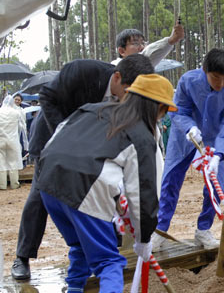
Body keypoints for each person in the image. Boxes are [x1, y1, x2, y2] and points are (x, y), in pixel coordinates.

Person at [11, 54, 155, 280]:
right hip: (53, 141)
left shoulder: (127, 98)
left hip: (93, 150)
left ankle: (101, 246)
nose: (130, 99)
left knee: (107, 190)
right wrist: (63, 133)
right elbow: (47, 96)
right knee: (41, 194)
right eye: (128, 91)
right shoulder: (83, 70)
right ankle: (23, 256)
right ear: (117, 77)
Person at [38, 74, 176, 292]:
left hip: (47, 181)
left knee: (80, 245)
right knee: (109, 261)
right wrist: (144, 237)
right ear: (159, 106)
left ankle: (74, 289)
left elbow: (56, 137)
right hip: (86, 189)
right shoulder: (141, 136)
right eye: (165, 110)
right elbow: (144, 194)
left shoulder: (92, 109)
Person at [151, 48, 224, 251]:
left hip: (215, 141)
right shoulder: (188, 81)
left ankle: (203, 230)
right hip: (184, 136)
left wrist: (218, 155)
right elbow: (178, 110)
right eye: (215, 78)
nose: (220, 84)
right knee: (170, 181)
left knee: (217, 184)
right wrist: (189, 126)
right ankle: (161, 230)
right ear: (204, 70)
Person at [111, 21, 184, 67]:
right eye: (136, 43)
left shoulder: (144, 70)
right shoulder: (116, 66)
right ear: (122, 51)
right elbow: (145, 57)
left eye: (143, 43)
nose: (142, 47)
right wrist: (170, 40)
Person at [0, 96, 28, 190]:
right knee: (13, 162)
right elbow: (22, 128)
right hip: (13, 140)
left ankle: (2, 185)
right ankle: (14, 184)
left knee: (1, 162)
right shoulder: (16, 113)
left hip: (0, 140)